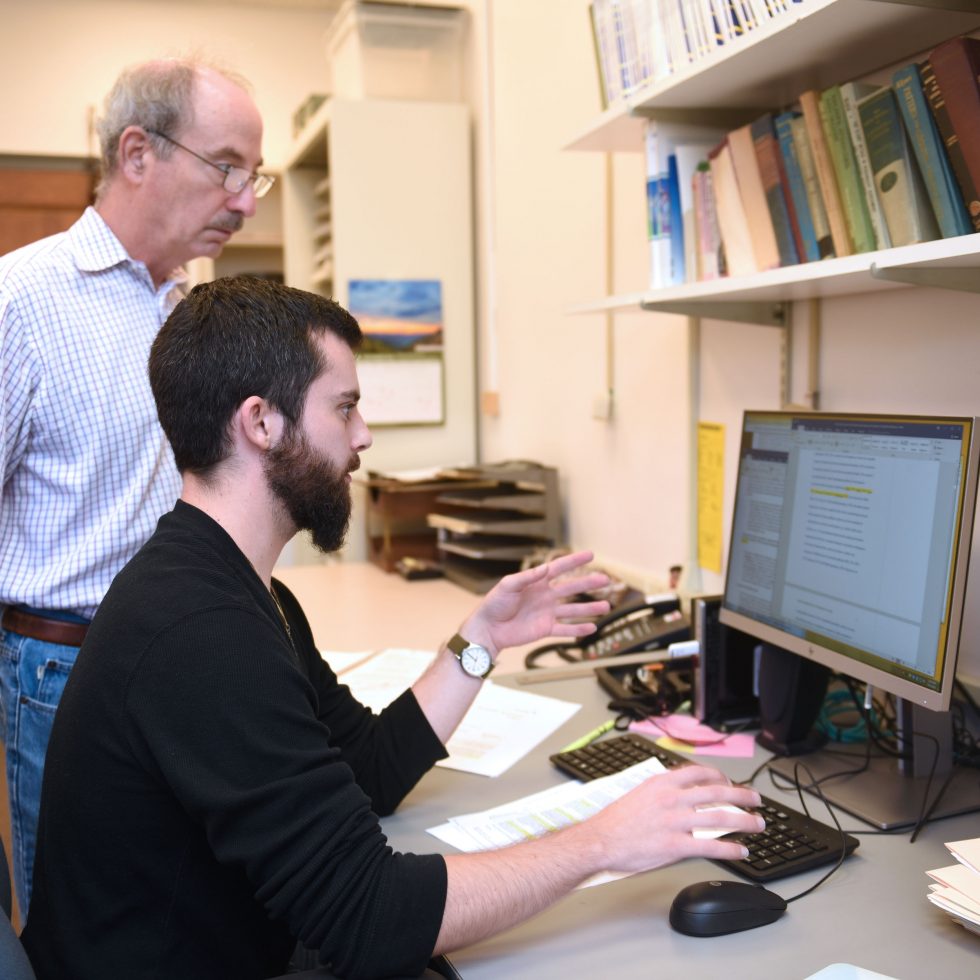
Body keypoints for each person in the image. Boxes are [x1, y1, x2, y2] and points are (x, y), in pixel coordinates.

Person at [22, 277, 764, 980]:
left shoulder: (244, 590)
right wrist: (604, 842)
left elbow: (370, 769)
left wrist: (483, 641)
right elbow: (369, 916)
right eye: (344, 408)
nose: (365, 435)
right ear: (261, 423)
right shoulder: (200, 630)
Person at [0, 57, 271, 917]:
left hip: (185, 658)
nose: (247, 200)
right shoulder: (22, 301)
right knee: (83, 923)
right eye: (227, 167)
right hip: (65, 669)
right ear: (138, 153)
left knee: (176, 916)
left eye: (253, 174)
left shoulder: (187, 309)